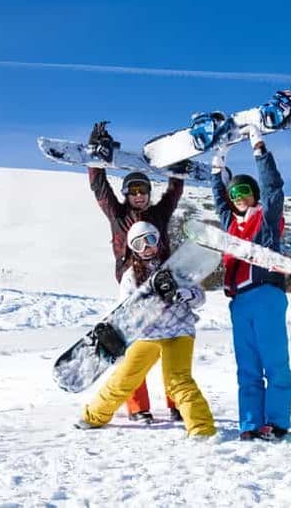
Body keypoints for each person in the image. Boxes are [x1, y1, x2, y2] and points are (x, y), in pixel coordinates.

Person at [76, 222, 216, 437]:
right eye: (138, 244)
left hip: (179, 331)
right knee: (124, 378)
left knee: (178, 381)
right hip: (148, 335)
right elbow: (126, 309)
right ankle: (93, 416)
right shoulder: (131, 276)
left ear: (158, 241)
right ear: (133, 249)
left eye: (150, 240)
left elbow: (200, 297)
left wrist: (189, 295)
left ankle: (202, 429)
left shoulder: (177, 268)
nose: (146, 248)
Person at [87, 121, 182, 423]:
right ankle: (138, 407)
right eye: (134, 191)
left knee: (170, 345)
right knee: (134, 349)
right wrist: (96, 159)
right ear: (126, 194)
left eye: (144, 190)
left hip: (162, 287)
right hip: (132, 289)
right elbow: (100, 189)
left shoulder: (159, 214)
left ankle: (177, 402)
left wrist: (178, 166)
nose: (139, 195)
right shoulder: (118, 216)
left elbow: (174, 193)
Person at [210, 125, 291, 441]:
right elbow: (219, 200)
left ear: (254, 194)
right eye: (235, 194)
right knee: (247, 367)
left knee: (274, 362)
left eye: (244, 191)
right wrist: (217, 167)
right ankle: (249, 423)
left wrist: (259, 150)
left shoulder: (266, 218)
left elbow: (273, 188)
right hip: (239, 302)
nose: (239, 197)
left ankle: (276, 421)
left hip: (266, 294)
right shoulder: (231, 224)